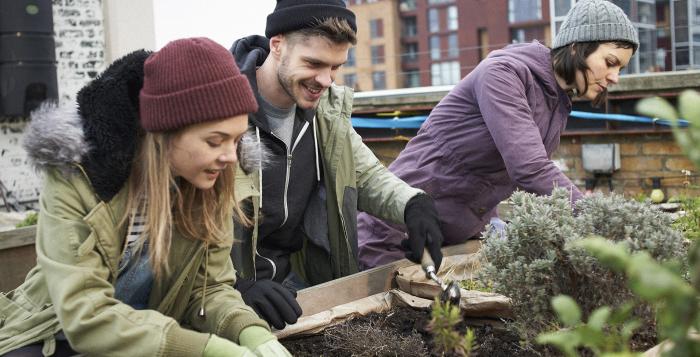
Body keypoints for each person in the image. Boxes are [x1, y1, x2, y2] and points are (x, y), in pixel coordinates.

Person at [0, 38, 290, 357]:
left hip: (154, 339)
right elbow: (87, 315)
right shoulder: (77, 178)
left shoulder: (210, 179)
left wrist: (248, 331)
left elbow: (209, 289)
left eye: (236, 140)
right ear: (164, 134)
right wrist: (206, 349)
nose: (231, 157)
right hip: (52, 336)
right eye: (214, 141)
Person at [357, 0, 639, 269]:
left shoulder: (557, 101)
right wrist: (599, 221)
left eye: (621, 68)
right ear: (577, 48)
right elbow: (529, 168)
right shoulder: (505, 74)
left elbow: (492, 176)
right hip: (393, 233)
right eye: (610, 62)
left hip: (449, 240)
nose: (615, 77)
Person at [229, 0, 444, 330]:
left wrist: (413, 204)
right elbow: (179, 222)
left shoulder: (325, 112)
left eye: (335, 67)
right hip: (223, 294)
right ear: (277, 44)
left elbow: (366, 173)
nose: (325, 80)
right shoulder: (222, 109)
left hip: (291, 287)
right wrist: (233, 288)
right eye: (314, 63)